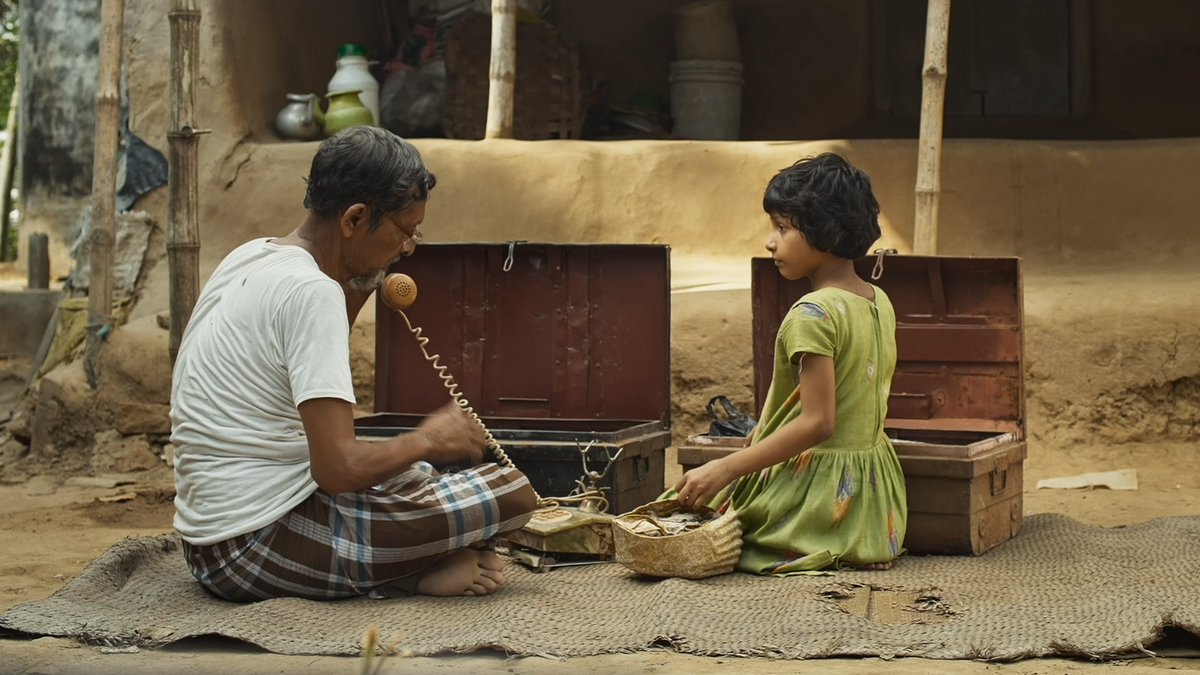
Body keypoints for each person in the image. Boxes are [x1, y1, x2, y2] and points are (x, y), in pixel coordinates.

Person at [169, 126, 538, 601]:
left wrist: (364, 282)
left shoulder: (251, 256)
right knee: (509, 492)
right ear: (356, 218)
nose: (409, 248)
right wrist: (428, 438)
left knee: (419, 479)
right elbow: (338, 469)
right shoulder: (312, 292)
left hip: (205, 540)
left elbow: (313, 376)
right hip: (249, 548)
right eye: (406, 230)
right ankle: (408, 576)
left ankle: (411, 562)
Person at [672, 153, 906, 573]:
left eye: (783, 227)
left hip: (820, 507)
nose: (770, 240)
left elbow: (818, 423)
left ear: (825, 233)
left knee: (693, 526)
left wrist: (724, 467)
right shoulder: (879, 300)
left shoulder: (813, 313)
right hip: (875, 515)